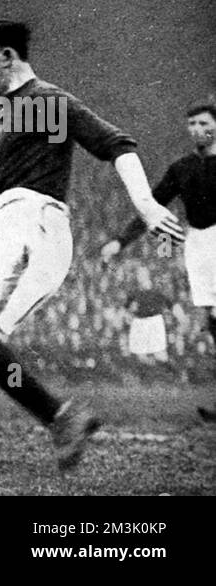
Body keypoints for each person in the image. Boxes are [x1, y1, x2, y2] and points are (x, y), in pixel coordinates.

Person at [0, 20, 187, 470]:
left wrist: (148, 206)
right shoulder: (22, 111)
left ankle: (60, 417)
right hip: (14, 230)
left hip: (32, 232)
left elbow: (119, 145)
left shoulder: (47, 100)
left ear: (8, 57)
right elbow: (5, 188)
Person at [100, 102, 216, 422]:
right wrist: (120, 241)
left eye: (203, 123)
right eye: (191, 123)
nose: (196, 129)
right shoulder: (182, 168)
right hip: (199, 240)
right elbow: (151, 208)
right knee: (212, 317)